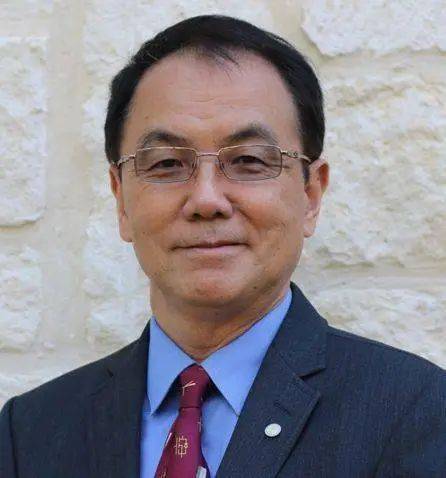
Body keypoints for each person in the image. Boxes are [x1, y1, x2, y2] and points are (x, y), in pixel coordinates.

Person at [1, 14, 445, 478]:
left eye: (249, 161)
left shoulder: (417, 415)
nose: (206, 200)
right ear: (121, 201)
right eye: (167, 164)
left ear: (311, 195)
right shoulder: (29, 433)